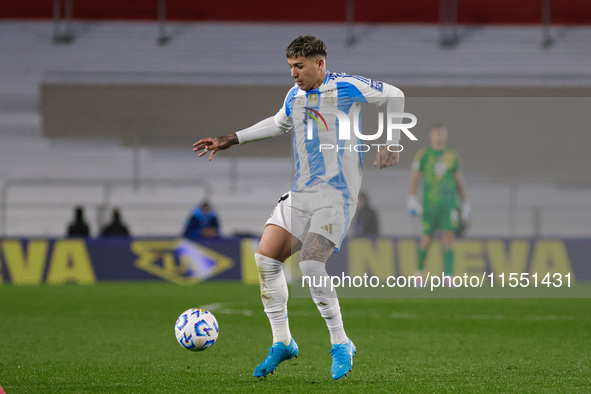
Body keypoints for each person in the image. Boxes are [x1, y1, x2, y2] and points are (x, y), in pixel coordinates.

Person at [193, 35, 404, 380]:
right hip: (301, 194)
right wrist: (229, 139)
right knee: (266, 259)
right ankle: (283, 342)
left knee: (310, 264)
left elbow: (394, 95)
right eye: (290, 67)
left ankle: (341, 343)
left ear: (320, 64)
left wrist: (392, 141)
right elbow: (278, 124)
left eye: (299, 67)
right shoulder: (295, 96)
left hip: (336, 196)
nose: (293, 74)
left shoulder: (347, 87)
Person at [407, 125, 470, 286]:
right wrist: (412, 198)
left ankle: (449, 275)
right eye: (437, 133)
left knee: (448, 237)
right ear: (431, 135)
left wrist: (465, 202)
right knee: (427, 238)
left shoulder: (452, 156)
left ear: (447, 136)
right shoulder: (424, 155)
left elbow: (458, 180)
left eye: (443, 133)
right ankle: (419, 272)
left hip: (449, 205)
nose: (440, 136)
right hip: (430, 204)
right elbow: (415, 178)